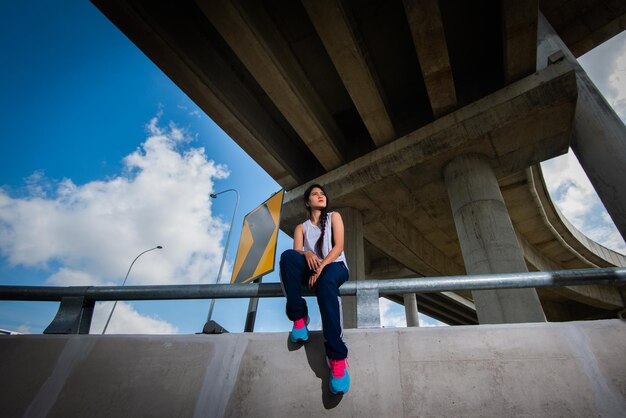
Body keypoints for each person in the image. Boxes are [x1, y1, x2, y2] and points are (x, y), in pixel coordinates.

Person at [279, 184, 350, 395]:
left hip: (335, 266)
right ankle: (299, 319)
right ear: (307, 202)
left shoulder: (334, 217)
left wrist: (320, 267)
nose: (320, 196)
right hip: (313, 268)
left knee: (327, 283)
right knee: (288, 257)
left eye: (322, 194)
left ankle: (337, 358)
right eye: (315, 194)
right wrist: (306, 255)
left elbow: (339, 247)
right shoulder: (301, 228)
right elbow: (296, 253)